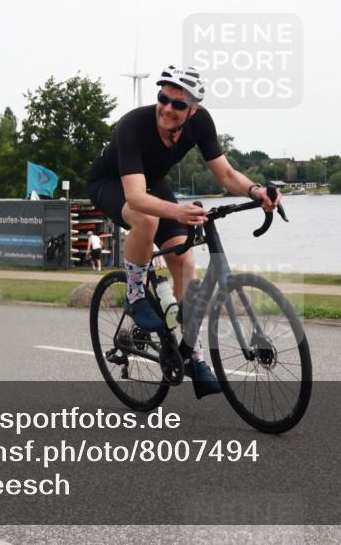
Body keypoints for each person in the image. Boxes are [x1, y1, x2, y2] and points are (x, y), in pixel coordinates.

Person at [87, 64, 282, 399]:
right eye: (163, 98)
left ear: (193, 109)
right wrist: (177, 210)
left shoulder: (201, 124)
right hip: (111, 183)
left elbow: (225, 173)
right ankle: (135, 293)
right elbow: (135, 197)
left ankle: (189, 350)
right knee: (145, 219)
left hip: (153, 183)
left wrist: (256, 191)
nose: (167, 108)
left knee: (185, 260)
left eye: (178, 104)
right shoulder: (133, 125)